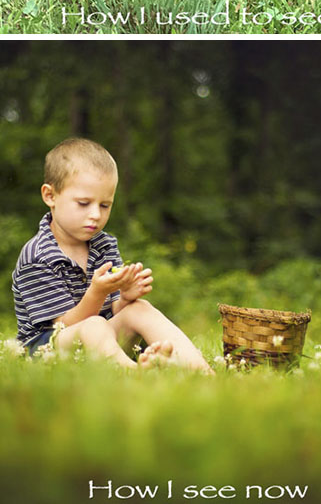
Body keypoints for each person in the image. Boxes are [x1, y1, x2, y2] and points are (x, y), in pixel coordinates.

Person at [12, 137, 213, 372]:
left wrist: (125, 298)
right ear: (50, 196)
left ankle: (200, 370)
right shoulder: (37, 256)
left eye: (105, 205)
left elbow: (113, 311)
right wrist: (98, 291)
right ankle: (134, 375)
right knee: (94, 325)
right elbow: (64, 327)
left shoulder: (104, 245)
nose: (96, 214)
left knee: (140, 308)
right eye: (84, 203)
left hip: (101, 343)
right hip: (47, 353)